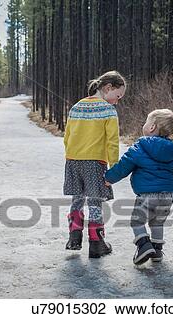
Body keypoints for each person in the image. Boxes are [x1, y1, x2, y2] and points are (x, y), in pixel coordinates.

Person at [105, 109, 173, 265]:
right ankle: (157, 251)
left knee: (137, 221)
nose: (144, 125)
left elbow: (123, 166)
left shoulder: (140, 146)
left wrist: (108, 179)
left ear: (152, 127)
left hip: (147, 194)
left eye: (146, 122)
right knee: (157, 222)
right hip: (167, 195)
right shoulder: (172, 151)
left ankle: (144, 246)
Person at [63, 70, 126, 258]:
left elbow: (67, 137)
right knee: (95, 202)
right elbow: (112, 142)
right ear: (108, 88)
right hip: (94, 162)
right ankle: (96, 243)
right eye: (117, 96)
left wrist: (71, 155)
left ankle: (74, 238)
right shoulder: (108, 110)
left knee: (77, 199)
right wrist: (114, 168)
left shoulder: (76, 107)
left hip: (73, 160)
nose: (117, 100)